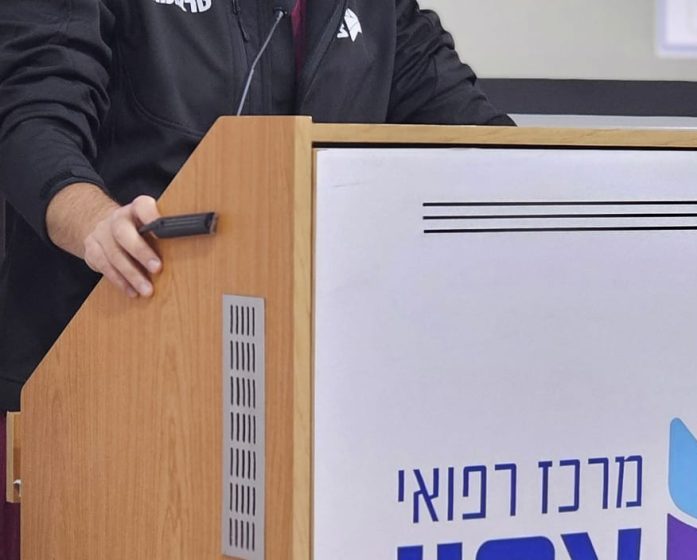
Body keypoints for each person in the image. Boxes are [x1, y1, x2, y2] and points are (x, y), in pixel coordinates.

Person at [0, 2, 511, 556]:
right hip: (101, 381)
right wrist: (94, 221)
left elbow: (472, 128)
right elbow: (32, 117)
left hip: (299, 397)